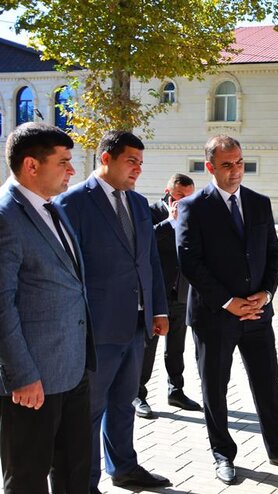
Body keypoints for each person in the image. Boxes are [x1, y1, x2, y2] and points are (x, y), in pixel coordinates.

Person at [176, 135, 278, 485]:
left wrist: (265, 294)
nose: (235, 171)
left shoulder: (260, 203)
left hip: (259, 314)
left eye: (239, 163)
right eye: (226, 165)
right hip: (216, 316)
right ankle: (223, 454)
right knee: (215, 389)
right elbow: (190, 262)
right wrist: (229, 302)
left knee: (268, 386)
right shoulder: (193, 206)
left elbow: (274, 255)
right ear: (210, 167)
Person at [56, 131, 170, 492]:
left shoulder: (138, 204)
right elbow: (68, 271)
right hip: (96, 329)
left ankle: (124, 468)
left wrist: (158, 309)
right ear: (106, 158)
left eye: (140, 163)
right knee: (89, 411)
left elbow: (149, 261)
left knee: (124, 403)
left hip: (137, 326)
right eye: (131, 161)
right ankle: (86, 482)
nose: (137, 169)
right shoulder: (72, 204)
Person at [0, 123, 96, 494]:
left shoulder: (53, 208)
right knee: (27, 480)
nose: (72, 170)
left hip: (73, 370)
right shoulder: (6, 217)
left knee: (75, 473)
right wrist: (21, 375)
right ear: (32, 165)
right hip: (32, 379)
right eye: (64, 162)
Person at [134, 173, 202, 419]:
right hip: (155, 292)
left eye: (189, 197)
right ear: (167, 191)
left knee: (176, 347)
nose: (184, 201)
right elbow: (143, 242)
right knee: (147, 346)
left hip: (181, 292)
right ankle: (138, 394)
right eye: (180, 196)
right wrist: (170, 222)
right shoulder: (150, 211)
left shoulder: (191, 215)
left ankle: (176, 391)